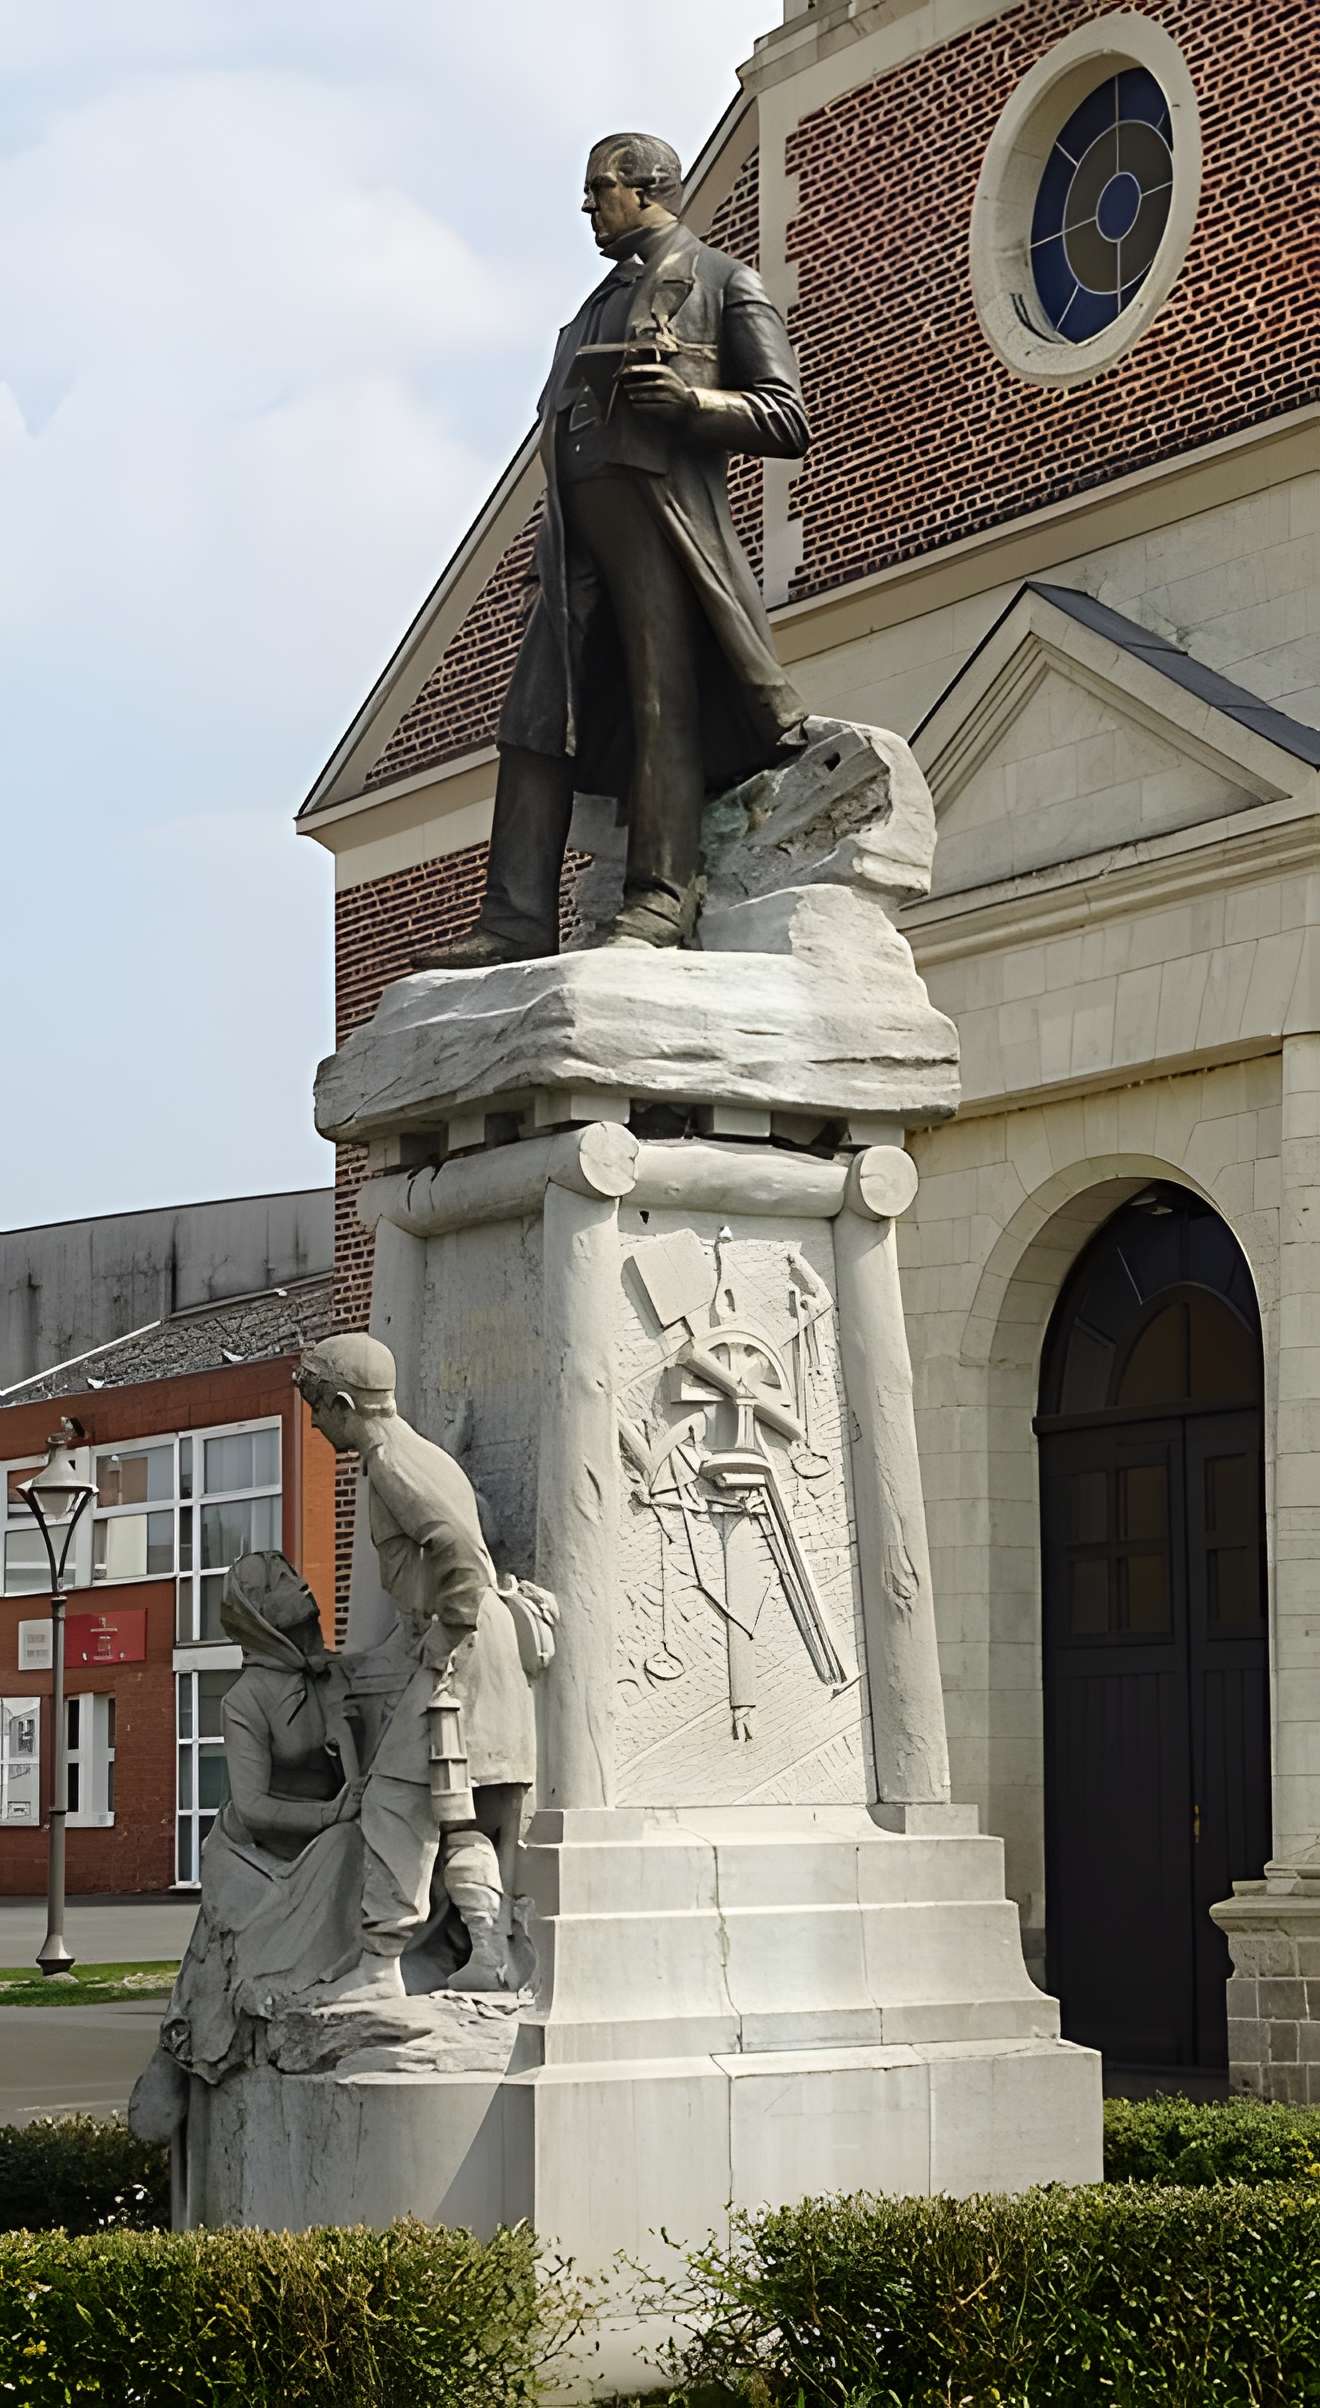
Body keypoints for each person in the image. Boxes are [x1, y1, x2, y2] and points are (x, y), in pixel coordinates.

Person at [416, 129, 810, 969]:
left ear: (649, 187)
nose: (589, 206)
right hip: (574, 546)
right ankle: (515, 918)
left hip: (662, 529)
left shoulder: (723, 283)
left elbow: (785, 416)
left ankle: (659, 896)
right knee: (530, 721)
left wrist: (692, 403)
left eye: (601, 189)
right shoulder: (588, 312)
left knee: (663, 702)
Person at [294, 1334, 542, 2001]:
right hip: (483, 1642)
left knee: (392, 1804)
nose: (315, 1425)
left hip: (461, 1645)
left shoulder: (390, 1461)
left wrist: (446, 1632)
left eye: (318, 1408)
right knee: (457, 1812)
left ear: (344, 1405)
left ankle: (379, 1966)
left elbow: (460, 1549)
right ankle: (490, 1955)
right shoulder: (419, 1452)